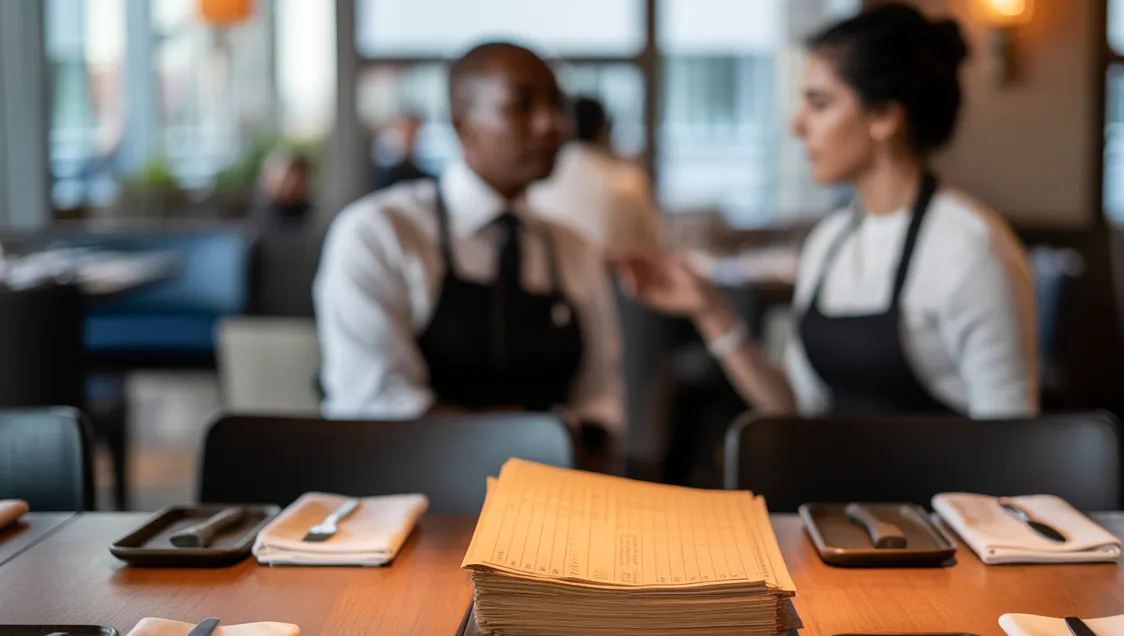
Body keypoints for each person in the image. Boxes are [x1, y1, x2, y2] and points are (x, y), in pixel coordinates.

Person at [616, 3, 1038, 419]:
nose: (797, 125)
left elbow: (1010, 435)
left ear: (884, 117)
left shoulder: (970, 247)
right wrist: (709, 311)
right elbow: (797, 408)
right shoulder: (830, 242)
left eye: (819, 104)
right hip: (838, 488)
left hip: (945, 490)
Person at [313, 42, 624, 458]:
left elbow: (599, 405)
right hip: (415, 492)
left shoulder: (574, 248)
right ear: (463, 124)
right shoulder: (380, 234)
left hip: (554, 506)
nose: (551, 125)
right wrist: (540, 440)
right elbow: (379, 413)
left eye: (556, 105)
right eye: (523, 105)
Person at [529, 96, 663, 254]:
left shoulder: (536, 184)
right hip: (614, 276)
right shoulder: (628, 182)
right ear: (604, 129)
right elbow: (657, 245)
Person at [251, 148, 313, 227]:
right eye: (289, 176)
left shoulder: (312, 218)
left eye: (301, 177)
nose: (294, 183)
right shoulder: (256, 220)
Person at [371, 113, 431, 189]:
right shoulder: (386, 168)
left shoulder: (417, 167)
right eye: (407, 131)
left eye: (414, 132)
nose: (411, 137)